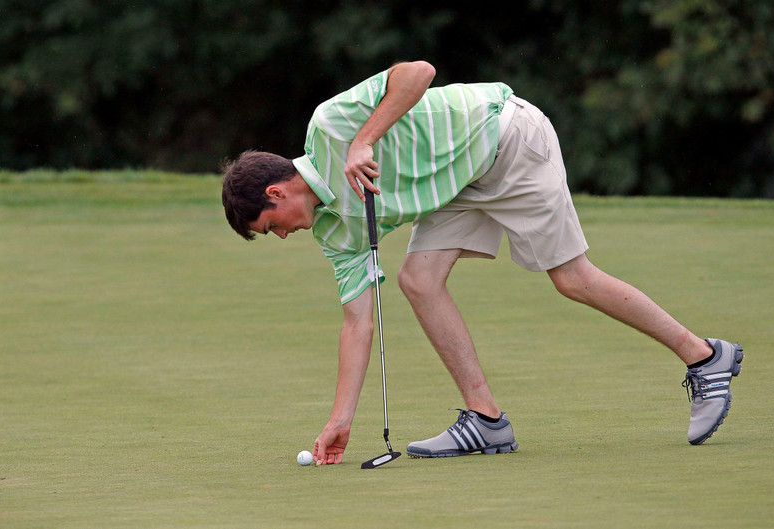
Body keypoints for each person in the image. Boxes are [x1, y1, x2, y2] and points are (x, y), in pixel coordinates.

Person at [221, 60, 744, 465]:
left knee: (572, 279)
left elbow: (419, 72)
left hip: (506, 139)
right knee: (418, 280)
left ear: (276, 192)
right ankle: (487, 420)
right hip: (460, 184)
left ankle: (703, 357)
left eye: (271, 226)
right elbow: (358, 321)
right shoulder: (337, 234)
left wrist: (364, 140)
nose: (283, 235)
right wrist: (340, 419)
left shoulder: (330, 124)